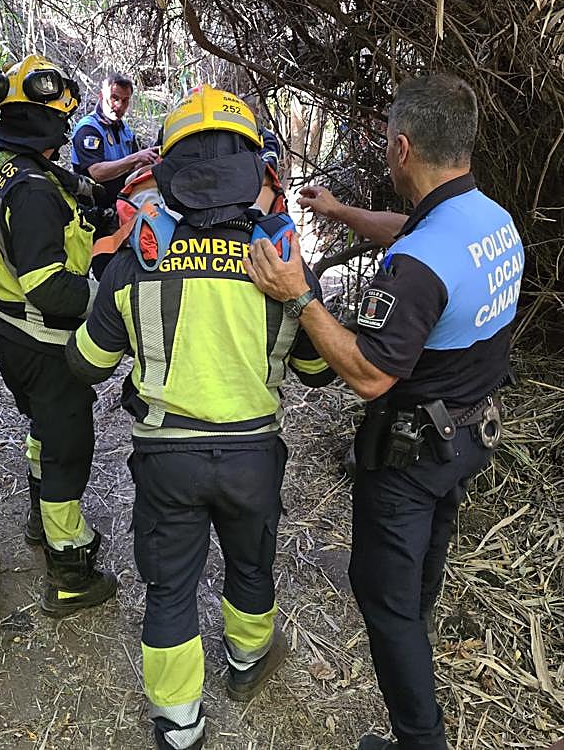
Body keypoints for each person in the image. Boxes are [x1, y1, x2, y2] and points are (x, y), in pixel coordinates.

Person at [245, 74, 523, 750]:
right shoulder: (487, 219)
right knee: (424, 561)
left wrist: (298, 295)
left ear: (401, 148)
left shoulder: (419, 268)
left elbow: (368, 375)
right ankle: (418, 621)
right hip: (466, 434)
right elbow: (412, 233)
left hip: (411, 454)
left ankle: (418, 741)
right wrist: (342, 215)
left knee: (384, 602)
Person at [65, 85, 335, 750]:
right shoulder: (282, 264)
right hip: (252, 455)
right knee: (250, 567)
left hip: (167, 460)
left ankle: (180, 726)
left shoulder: (136, 258)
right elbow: (318, 371)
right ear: (253, 169)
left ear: (170, 172)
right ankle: (245, 663)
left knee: (169, 589)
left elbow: (87, 365)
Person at [0, 53, 117, 618]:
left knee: (41, 428)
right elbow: (52, 290)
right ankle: (70, 568)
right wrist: (111, 302)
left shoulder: (5, 164)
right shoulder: (30, 188)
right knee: (67, 447)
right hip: (44, 340)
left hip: (8, 331)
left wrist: (98, 214)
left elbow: (64, 190)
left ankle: (38, 515)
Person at [70, 72, 159, 208]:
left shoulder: (125, 131)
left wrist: (150, 160)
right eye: (114, 98)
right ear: (101, 96)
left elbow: (130, 169)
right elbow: (97, 173)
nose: (119, 106)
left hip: (122, 204)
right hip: (92, 210)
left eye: (125, 100)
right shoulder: (88, 129)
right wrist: (136, 158)